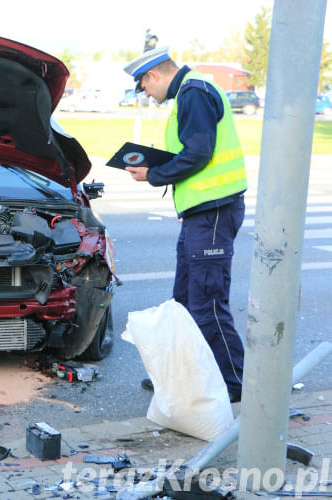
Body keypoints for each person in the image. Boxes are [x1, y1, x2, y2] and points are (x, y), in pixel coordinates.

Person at [123, 47, 247, 403]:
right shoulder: (191, 92)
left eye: (143, 86)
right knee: (185, 301)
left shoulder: (193, 92)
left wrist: (154, 174)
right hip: (202, 212)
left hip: (213, 212)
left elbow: (198, 153)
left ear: (154, 75)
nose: (145, 93)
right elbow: (193, 152)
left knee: (207, 303)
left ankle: (234, 385)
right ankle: (186, 379)